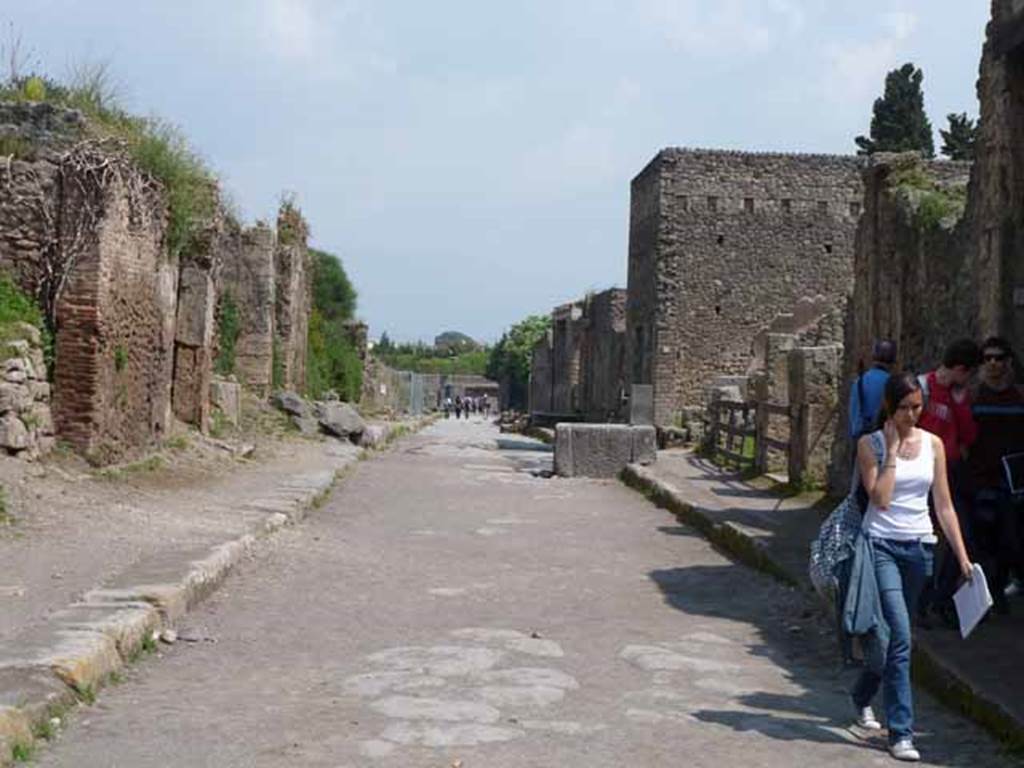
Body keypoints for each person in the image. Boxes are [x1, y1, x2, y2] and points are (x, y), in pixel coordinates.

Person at [853, 372, 972, 762]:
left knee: (889, 642)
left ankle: (861, 695)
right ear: (889, 407)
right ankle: (901, 733)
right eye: (903, 408)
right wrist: (890, 450)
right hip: (880, 546)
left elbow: (943, 504)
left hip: (919, 548)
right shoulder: (869, 445)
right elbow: (881, 500)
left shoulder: (934, 445)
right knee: (901, 636)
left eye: (917, 407)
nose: (911, 415)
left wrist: (961, 555)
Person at [916, 338, 980, 624]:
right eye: (969, 372)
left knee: (962, 537)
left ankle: (942, 599)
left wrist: (960, 404)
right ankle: (922, 603)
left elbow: (969, 436)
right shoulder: (924, 388)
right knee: (925, 541)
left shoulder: (959, 395)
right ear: (959, 368)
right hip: (922, 473)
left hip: (951, 473)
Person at [968, 337, 1024, 614]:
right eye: (987, 358)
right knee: (984, 538)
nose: (993, 363)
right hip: (981, 479)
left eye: (998, 357)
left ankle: (1000, 590)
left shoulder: (1019, 398)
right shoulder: (974, 398)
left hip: (1012, 483)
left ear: (1008, 361)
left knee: (1011, 540)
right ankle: (986, 595)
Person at [849, 339, 898, 441]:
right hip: (882, 441)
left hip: (860, 440)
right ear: (893, 361)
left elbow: (853, 417)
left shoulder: (859, 382)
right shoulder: (892, 384)